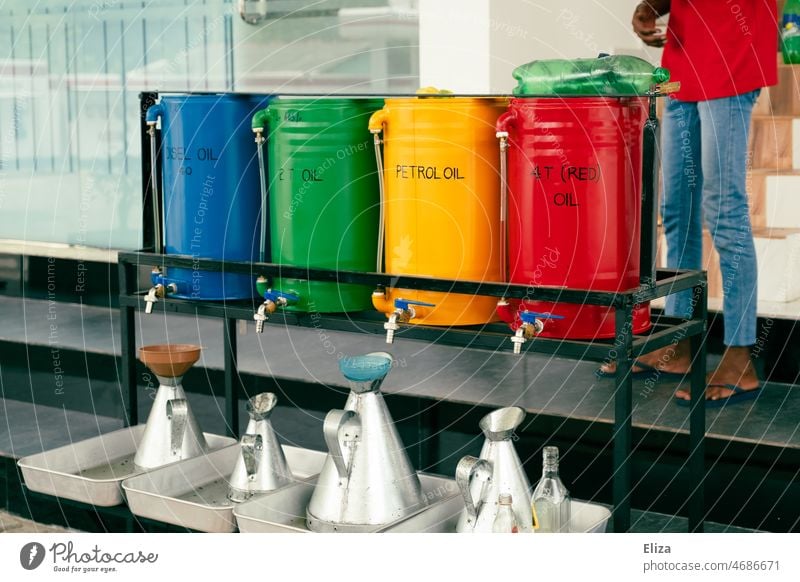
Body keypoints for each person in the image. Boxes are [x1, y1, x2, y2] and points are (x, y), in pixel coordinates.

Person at [601, 1, 777, 405]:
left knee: (723, 208)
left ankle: (739, 355)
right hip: (684, 53)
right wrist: (652, 6)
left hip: (732, 51)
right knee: (676, 208)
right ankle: (679, 343)